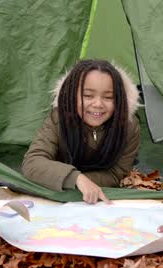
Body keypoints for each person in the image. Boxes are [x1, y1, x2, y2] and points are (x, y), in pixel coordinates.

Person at [22, 60, 140, 204]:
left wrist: (87, 183)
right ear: (72, 95)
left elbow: (116, 173)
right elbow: (32, 162)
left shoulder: (129, 126)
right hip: (60, 189)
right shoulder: (58, 119)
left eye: (108, 97)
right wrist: (76, 178)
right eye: (88, 96)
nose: (98, 104)